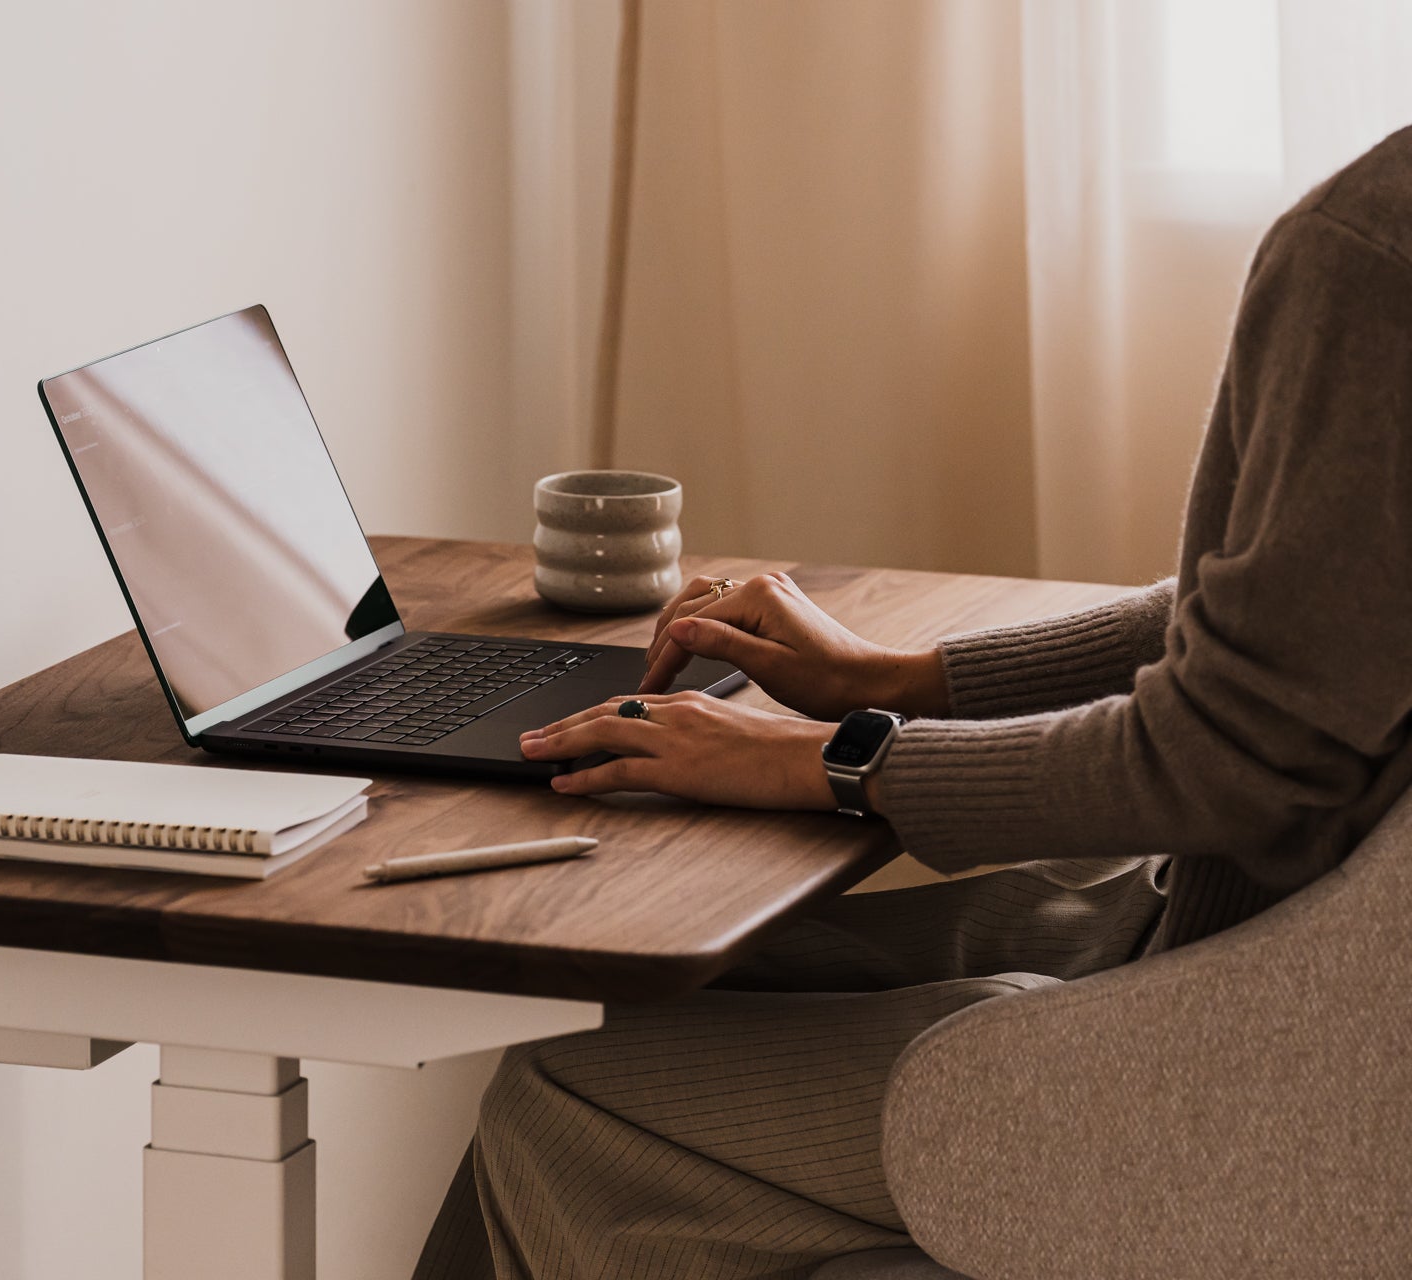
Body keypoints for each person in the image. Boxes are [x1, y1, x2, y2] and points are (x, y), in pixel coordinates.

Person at [412, 124, 1412, 1279]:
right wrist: (892, 682)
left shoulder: (1374, 252)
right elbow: (1286, 609)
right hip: (1277, 955)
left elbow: (1231, 754)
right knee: (617, 986)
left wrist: (830, 758)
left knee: (560, 1088)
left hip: (1286, 1062)